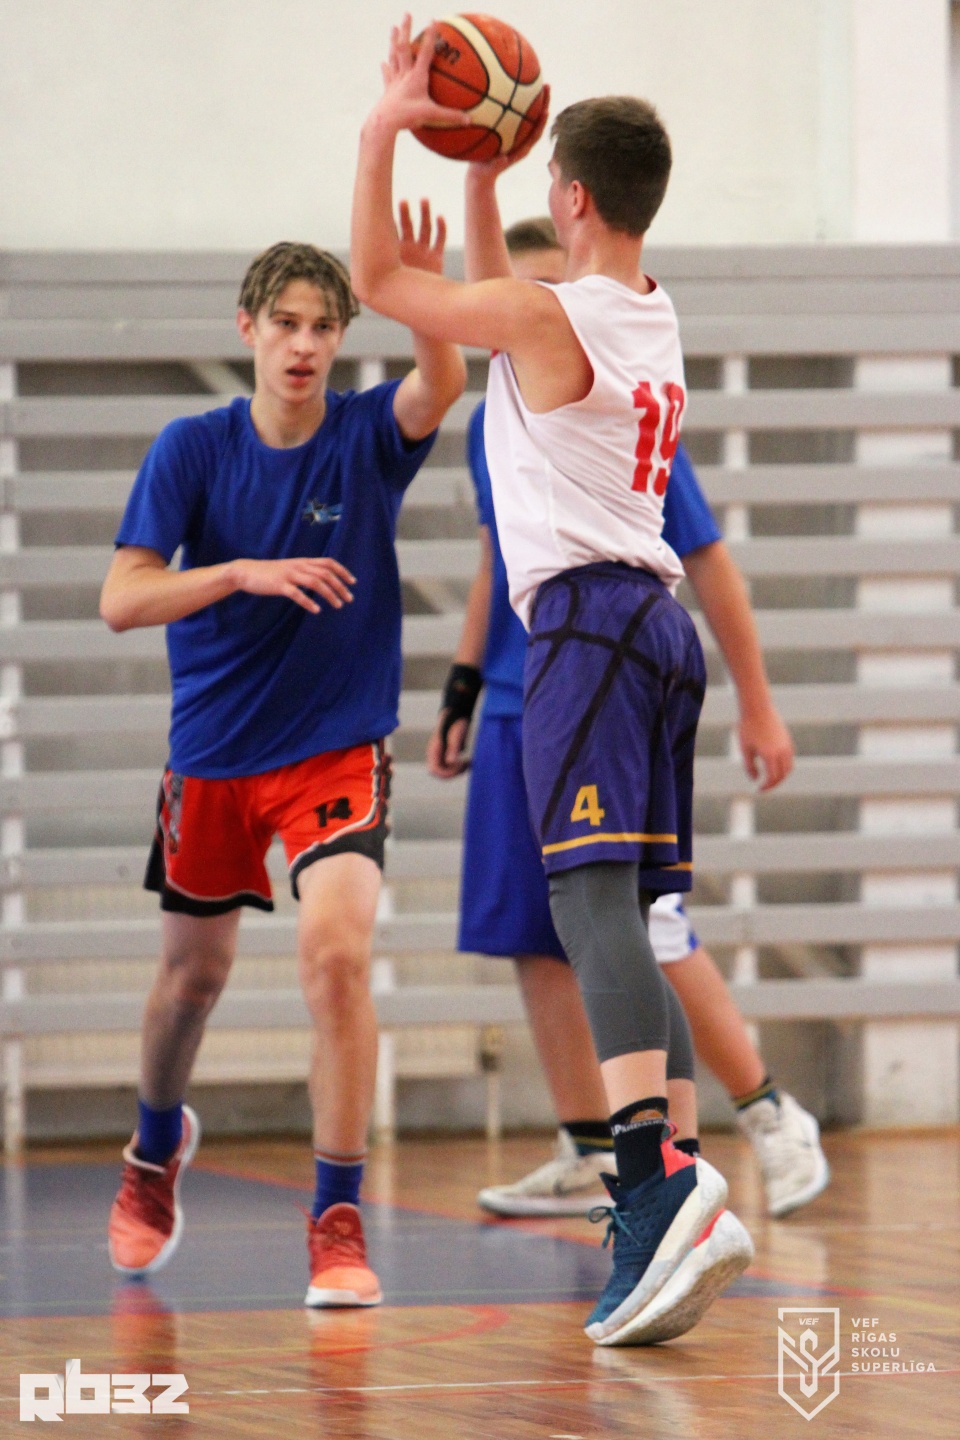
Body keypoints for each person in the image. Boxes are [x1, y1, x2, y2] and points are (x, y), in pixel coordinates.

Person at [351, 18, 751, 1346]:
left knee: (588, 910)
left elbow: (374, 277)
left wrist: (386, 127)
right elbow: (512, 320)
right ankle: (676, 1182)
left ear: (569, 198)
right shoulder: (644, 312)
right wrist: (481, 178)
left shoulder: (546, 315)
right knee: (629, 913)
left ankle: (650, 1189)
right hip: (657, 628)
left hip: (584, 628)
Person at [429, 217, 829, 1225]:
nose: (529, 311)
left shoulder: (607, 396)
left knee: (647, 926)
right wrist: (465, 682)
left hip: (602, 669)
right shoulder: (495, 415)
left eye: (548, 294)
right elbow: (494, 554)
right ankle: (590, 1144)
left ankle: (766, 1112)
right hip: (524, 690)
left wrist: (760, 703)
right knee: (536, 934)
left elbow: (708, 561)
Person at [100, 227, 466, 1309]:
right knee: (191, 982)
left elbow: (442, 381)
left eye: (324, 327)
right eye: (286, 325)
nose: (303, 346)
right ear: (249, 329)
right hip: (214, 751)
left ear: (342, 338)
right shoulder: (193, 448)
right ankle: (153, 1151)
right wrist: (239, 574)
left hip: (333, 746)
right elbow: (122, 598)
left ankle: (337, 1221)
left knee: (337, 958)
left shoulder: (363, 435)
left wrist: (419, 292)